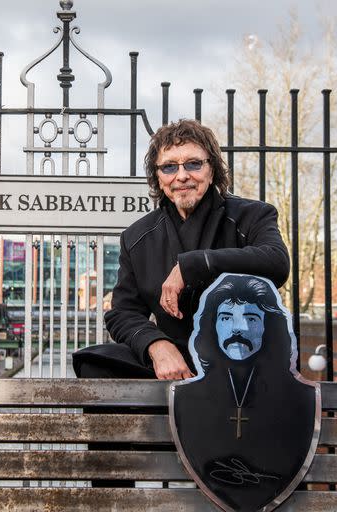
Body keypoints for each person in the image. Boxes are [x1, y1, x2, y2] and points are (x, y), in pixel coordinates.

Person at [73, 119, 290, 379]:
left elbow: (277, 262)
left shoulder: (251, 215)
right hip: (177, 362)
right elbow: (123, 312)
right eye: (169, 167)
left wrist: (192, 266)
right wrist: (156, 345)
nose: (182, 175)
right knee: (95, 362)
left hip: (242, 352)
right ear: (158, 177)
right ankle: (148, 421)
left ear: (212, 170)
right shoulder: (136, 237)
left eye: (193, 164)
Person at [170, 274, 318, 512]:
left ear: (269, 327)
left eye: (251, 318)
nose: (238, 328)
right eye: (226, 317)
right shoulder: (187, 397)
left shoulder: (301, 398)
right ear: (212, 326)